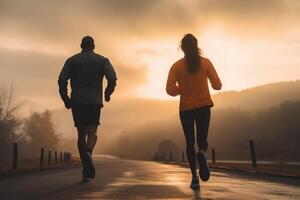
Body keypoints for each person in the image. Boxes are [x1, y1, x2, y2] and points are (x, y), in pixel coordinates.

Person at [166, 33, 222, 189]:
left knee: (189, 142)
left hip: (185, 109)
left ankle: (194, 178)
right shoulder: (206, 63)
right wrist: (208, 83)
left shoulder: (176, 66)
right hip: (204, 106)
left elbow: (169, 89)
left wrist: (181, 89)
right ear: (196, 46)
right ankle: (202, 153)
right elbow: (217, 85)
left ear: (182, 48)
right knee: (202, 139)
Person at [58, 36, 117, 182]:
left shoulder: (71, 61)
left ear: (81, 46)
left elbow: (61, 80)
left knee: (81, 134)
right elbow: (112, 77)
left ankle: (86, 166)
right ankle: (89, 154)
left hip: (77, 102)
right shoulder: (102, 60)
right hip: (94, 102)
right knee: (92, 132)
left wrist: (66, 98)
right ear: (93, 46)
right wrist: (107, 93)